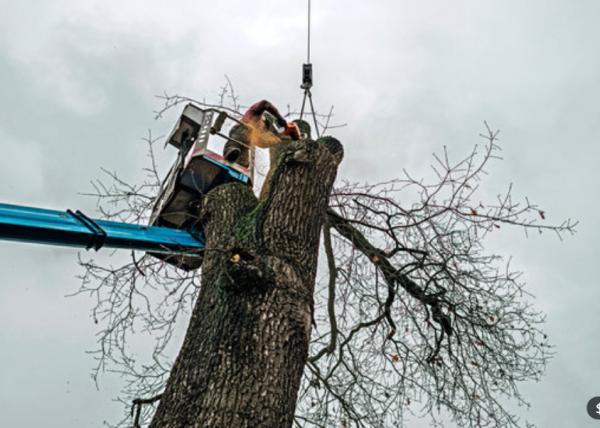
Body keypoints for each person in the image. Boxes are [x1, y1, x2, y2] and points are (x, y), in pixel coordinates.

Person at [224, 100, 300, 167]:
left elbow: (290, 130)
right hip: (240, 130)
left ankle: (241, 166)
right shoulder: (254, 113)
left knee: (244, 163)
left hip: (247, 143)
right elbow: (264, 103)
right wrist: (279, 117)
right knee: (235, 145)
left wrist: (296, 138)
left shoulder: (269, 132)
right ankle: (230, 152)